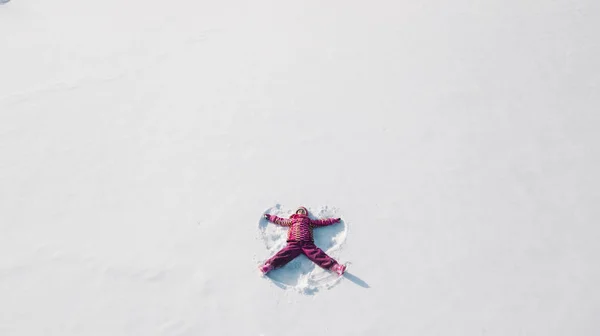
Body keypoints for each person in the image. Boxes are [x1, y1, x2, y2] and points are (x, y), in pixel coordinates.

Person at [259, 206, 346, 276]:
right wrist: (270, 217)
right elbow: (280, 221)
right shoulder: (292, 221)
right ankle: (269, 266)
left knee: (317, 255)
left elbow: (321, 222)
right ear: (296, 213)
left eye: (303, 211)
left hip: (307, 243)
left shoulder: (309, 221)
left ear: (306, 214)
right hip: (294, 243)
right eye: (299, 211)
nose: (301, 212)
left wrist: (333, 220)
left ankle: (335, 267)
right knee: (284, 254)